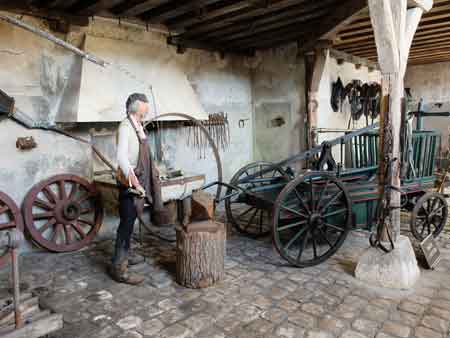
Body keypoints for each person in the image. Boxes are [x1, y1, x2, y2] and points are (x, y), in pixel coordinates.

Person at [110, 93, 157, 285]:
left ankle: (126, 256)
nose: (147, 109)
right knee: (126, 224)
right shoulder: (125, 127)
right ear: (136, 108)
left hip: (138, 180)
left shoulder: (137, 125)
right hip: (129, 184)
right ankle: (119, 268)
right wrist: (135, 183)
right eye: (145, 107)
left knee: (131, 220)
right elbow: (122, 158)